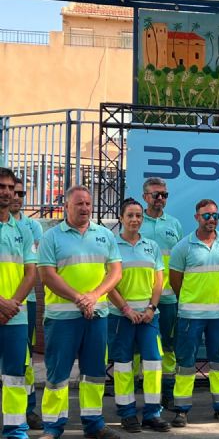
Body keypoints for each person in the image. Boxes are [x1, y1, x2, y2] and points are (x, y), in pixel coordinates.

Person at [38, 185, 122, 439]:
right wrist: (79, 298)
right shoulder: (51, 237)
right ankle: (53, 427)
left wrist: (94, 297)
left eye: (88, 203)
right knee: (58, 375)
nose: (85, 208)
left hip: (96, 317)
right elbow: (47, 276)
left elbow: (115, 272)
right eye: (79, 204)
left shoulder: (104, 235)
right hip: (62, 319)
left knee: (94, 373)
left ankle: (94, 424)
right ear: (66, 206)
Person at [169, 199, 219, 427]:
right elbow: (176, 281)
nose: (211, 220)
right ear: (196, 217)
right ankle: (181, 410)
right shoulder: (183, 247)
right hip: (190, 316)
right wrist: (192, 299)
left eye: (215, 216)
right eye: (206, 215)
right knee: (186, 363)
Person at [108, 198, 168, 433]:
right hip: (120, 316)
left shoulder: (152, 246)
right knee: (123, 366)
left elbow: (158, 281)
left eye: (138, 216)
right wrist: (126, 310)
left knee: (153, 364)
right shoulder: (111, 245)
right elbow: (108, 284)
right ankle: (127, 414)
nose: (135, 220)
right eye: (130, 215)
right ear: (121, 218)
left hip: (149, 317)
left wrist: (151, 308)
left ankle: (152, 413)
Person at [138, 177, 183, 410]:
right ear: (145, 197)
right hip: (140, 298)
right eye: (156, 195)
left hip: (168, 298)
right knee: (137, 349)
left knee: (168, 346)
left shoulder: (174, 224)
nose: (160, 199)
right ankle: (135, 393)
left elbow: (180, 262)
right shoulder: (136, 221)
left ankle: (167, 392)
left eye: (164, 195)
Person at [0, 168, 37, 439]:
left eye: (10, 188)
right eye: (1, 186)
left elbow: (31, 273)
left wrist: (11, 305)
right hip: (7, 309)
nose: (6, 192)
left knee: (15, 375)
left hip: (15, 315)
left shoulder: (23, 230)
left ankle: (15, 429)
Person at [10, 176, 44, 430]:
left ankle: (28, 409)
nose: (16, 197)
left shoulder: (32, 227)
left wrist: (14, 301)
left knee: (24, 359)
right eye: (13, 191)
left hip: (24, 304)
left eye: (21, 194)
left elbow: (32, 269)